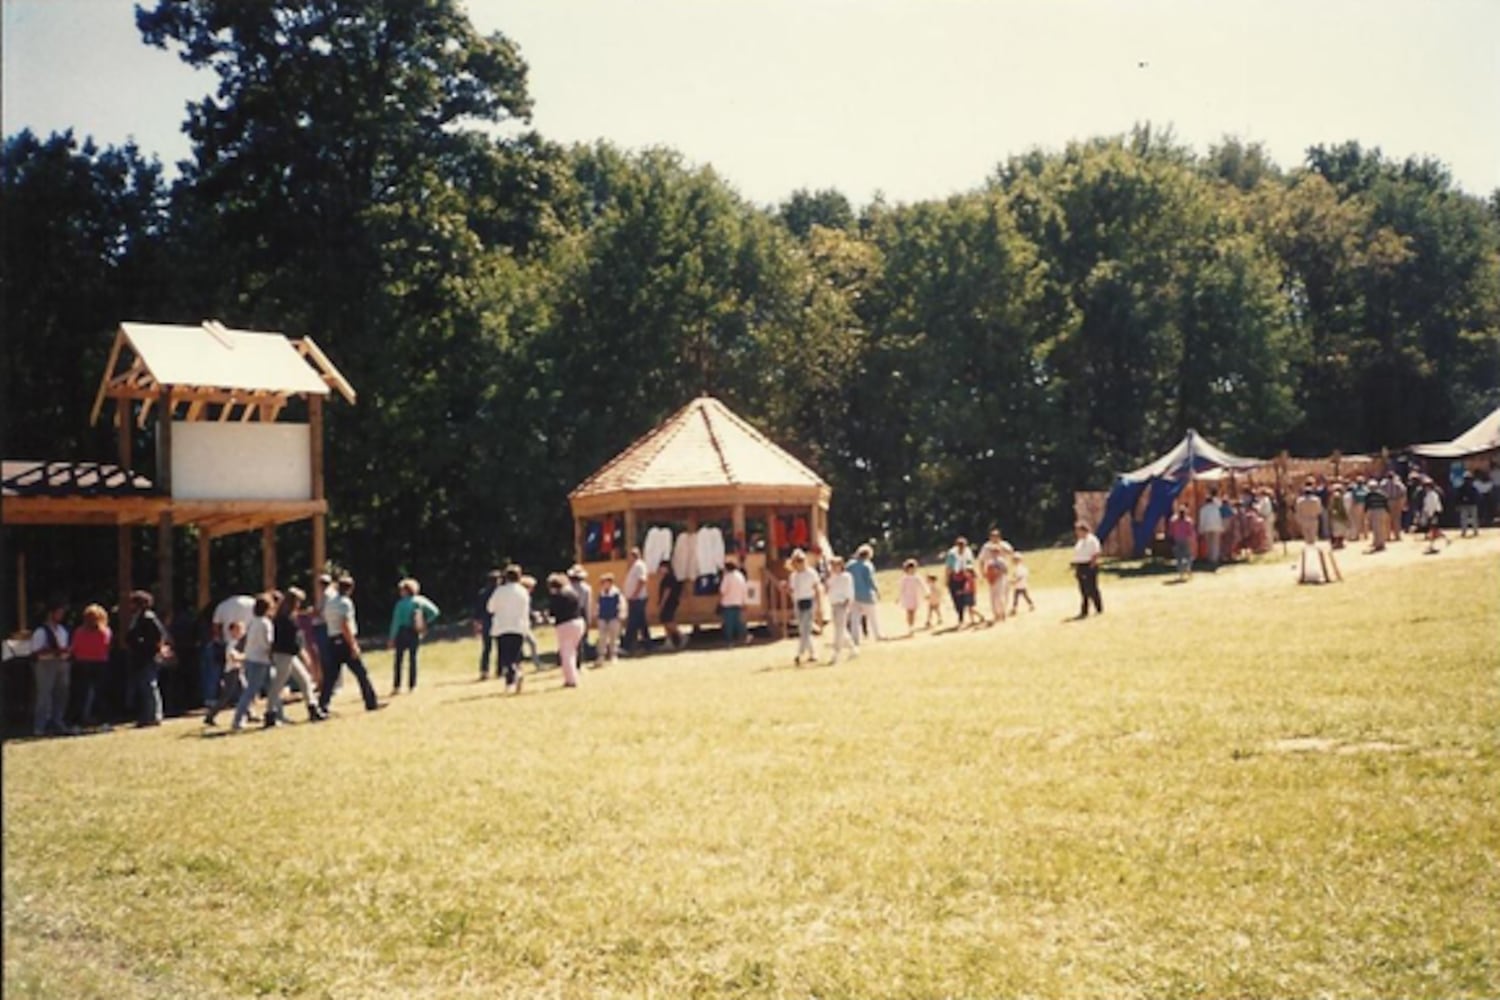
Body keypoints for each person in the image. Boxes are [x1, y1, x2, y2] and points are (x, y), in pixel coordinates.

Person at [317, 576, 381, 715]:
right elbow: (345, 624)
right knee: (361, 673)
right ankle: (371, 702)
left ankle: (322, 705)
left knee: (331, 676)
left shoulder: (330, 602)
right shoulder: (345, 603)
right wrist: (353, 645)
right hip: (344, 640)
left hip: (332, 639)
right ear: (350, 588)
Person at [267, 587, 327, 724]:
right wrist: (300, 651)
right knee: (277, 685)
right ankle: (269, 714)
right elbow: (290, 639)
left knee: (305, 679)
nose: (299, 604)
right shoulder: (284, 618)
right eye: (298, 601)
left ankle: (313, 709)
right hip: (283, 654)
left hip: (290, 654)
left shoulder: (288, 616)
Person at [124, 590, 170, 727]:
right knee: (144, 686)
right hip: (140, 656)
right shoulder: (137, 617)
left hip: (148, 656)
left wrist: (150, 647)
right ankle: (146, 716)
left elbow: (159, 635)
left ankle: (154, 716)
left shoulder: (148, 617)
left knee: (149, 686)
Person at [231, 594, 276, 732]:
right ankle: (238, 719)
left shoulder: (253, 622)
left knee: (272, 688)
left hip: (251, 658)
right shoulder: (265, 623)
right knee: (251, 691)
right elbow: (267, 642)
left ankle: (276, 714)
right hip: (260, 659)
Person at [388, 577, 440, 694]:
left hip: (402, 632)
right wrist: (425, 621)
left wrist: (392, 637)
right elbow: (435, 611)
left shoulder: (400, 604)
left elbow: (396, 622)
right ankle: (412, 686)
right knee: (413, 658)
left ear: (405, 591)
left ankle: (397, 686)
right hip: (414, 631)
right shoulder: (420, 601)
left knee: (399, 660)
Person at [487, 565, 531, 693]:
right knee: (516, 655)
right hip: (518, 627)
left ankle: (511, 680)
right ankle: (517, 673)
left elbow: (490, 608)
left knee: (506, 657)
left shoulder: (500, 591)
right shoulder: (523, 592)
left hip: (502, 627)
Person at [30, 600, 71, 736]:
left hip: (62, 663)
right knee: (44, 695)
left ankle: (57, 722)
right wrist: (53, 651)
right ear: (50, 614)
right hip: (45, 664)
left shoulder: (62, 630)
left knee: (61, 694)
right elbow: (36, 651)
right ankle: (40, 726)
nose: (61, 615)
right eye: (58, 613)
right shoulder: (41, 631)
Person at [69, 602, 112, 729]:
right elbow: (107, 647)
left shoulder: (79, 632)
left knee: (81, 694)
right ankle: (104, 721)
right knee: (101, 694)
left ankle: (77, 723)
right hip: (100, 663)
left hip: (82, 663)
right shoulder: (105, 632)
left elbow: (74, 648)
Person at [548, 573, 585, 688]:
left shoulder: (557, 596)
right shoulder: (573, 593)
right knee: (573, 651)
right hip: (578, 622)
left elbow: (552, 613)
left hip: (565, 624)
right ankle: (574, 674)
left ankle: (571, 680)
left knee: (566, 653)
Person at [787, 549, 821, 666]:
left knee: (805, 629)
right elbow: (792, 590)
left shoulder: (811, 573)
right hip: (798, 602)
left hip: (809, 600)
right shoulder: (793, 575)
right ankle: (813, 653)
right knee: (803, 629)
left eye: (800, 561)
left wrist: (819, 604)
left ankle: (800, 653)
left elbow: (816, 588)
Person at [823, 556, 858, 663]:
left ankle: (836, 653)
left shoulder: (846, 576)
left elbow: (850, 590)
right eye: (832, 565)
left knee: (839, 629)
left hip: (843, 604)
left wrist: (848, 602)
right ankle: (853, 648)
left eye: (835, 565)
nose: (833, 567)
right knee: (840, 628)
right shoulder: (831, 578)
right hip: (834, 604)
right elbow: (827, 590)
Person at [848, 544, 883, 643]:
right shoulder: (867, 565)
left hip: (853, 594)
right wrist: (877, 591)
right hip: (866, 595)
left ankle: (855, 638)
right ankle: (877, 635)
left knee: (855, 617)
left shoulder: (850, 565)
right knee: (873, 616)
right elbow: (870, 580)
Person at [622, 547, 651, 655]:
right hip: (634, 598)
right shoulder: (634, 566)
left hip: (638, 598)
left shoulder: (639, 565)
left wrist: (635, 594)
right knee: (641, 622)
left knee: (632, 622)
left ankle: (627, 645)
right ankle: (647, 644)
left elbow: (642, 580)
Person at [978, 529, 1011, 624]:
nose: (994, 538)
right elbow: (981, 560)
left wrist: (1001, 549)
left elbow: (1011, 553)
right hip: (991, 573)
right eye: (992, 536)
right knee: (993, 595)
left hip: (1002, 572)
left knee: (1002, 594)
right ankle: (996, 614)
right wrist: (982, 572)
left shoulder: (1004, 545)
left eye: (996, 536)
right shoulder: (986, 546)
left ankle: (1002, 612)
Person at [1070, 522, 1103, 619]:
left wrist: (1092, 565)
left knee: (1092, 588)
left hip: (1089, 565)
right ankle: (1084, 610)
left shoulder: (1092, 540)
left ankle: (1099, 608)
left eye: (1078, 531)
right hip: (1080, 565)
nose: (1077, 533)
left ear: (1084, 530)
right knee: (1083, 589)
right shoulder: (1079, 542)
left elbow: (1096, 553)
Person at [943, 536, 978, 626]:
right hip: (954, 576)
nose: (962, 548)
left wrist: (972, 574)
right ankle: (960, 616)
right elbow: (948, 567)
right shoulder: (952, 554)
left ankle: (965, 617)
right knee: (956, 598)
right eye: (960, 546)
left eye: (963, 546)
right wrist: (947, 579)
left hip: (964, 576)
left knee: (964, 596)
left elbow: (970, 563)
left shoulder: (968, 552)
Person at [474, 570, 501, 680]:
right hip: (499, 621)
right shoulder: (500, 592)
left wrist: (477, 624)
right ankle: (500, 669)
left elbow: (477, 611)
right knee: (500, 647)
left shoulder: (482, 593)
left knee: (487, 648)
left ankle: (484, 671)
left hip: (486, 622)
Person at [595, 572, 627, 663]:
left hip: (614, 617)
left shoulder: (616, 593)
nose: (604, 584)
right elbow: (597, 605)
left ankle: (613, 654)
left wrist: (621, 615)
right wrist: (596, 615)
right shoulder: (601, 594)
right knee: (602, 637)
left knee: (614, 637)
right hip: (602, 617)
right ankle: (601, 655)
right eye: (602, 582)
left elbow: (622, 605)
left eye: (605, 582)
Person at [718, 558, 749, 646]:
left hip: (728, 603)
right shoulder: (740, 576)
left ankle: (729, 641)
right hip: (738, 602)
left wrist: (719, 601)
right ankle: (744, 637)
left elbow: (722, 590)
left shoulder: (727, 577)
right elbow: (744, 590)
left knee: (729, 624)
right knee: (739, 622)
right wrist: (744, 601)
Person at [657, 560, 686, 651]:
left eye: (662, 567)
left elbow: (667, 592)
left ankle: (681, 636)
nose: (660, 569)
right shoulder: (666, 577)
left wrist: (662, 603)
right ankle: (669, 641)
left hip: (670, 602)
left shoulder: (669, 578)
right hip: (668, 602)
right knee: (665, 620)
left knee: (669, 620)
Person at [568, 566, 595, 663]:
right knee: (582, 637)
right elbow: (587, 604)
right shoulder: (586, 588)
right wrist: (588, 619)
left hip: (570, 613)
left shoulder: (568, 588)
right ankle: (581, 658)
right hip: (581, 612)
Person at [896, 559, 926, 635]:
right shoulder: (904, 578)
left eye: (913, 568)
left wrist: (927, 592)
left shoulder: (917, 577)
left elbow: (923, 585)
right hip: (907, 597)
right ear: (907, 569)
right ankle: (910, 626)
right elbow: (901, 589)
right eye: (910, 568)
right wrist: (898, 597)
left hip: (915, 596)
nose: (912, 570)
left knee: (914, 612)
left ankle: (912, 625)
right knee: (909, 612)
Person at [1421, 477, 1450, 553]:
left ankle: (1431, 546)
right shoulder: (1429, 495)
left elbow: (1434, 505)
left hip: (1434, 514)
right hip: (1432, 514)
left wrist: (1431, 514)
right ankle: (1446, 539)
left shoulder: (1432, 495)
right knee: (1435, 530)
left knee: (1433, 530)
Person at [1364, 475, 1391, 552]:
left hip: (1374, 511)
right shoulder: (1382, 494)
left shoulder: (1369, 495)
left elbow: (1367, 505)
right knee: (1381, 527)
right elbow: (1386, 504)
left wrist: (1366, 514)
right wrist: (1387, 512)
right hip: (1382, 511)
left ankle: (1378, 543)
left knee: (1376, 528)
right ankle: (1381, 543)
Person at [1168, 506, 1195, 580]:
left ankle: (1181, 573)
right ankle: (1187, 566)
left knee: (1179, 558)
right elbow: (1191, 532)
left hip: (1176, 540)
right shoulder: (1188, 521)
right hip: (1186, 540)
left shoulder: (1173, 521)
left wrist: (1171, 539)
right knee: (1189, 556)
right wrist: (1192, 540)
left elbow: (1171, 531)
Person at [1294, 480, 1323, 545]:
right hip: (1313, 519)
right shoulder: (1316, 500)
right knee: (1313, 536)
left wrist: (1299, 519)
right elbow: (1319, 510)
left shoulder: (1300, 501)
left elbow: (1298, 511)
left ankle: (1308, 549)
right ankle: (1313, 549)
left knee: (1306, 537)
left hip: (1304, 519)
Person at [1198, 494, 1224, 565]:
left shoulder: (1203, 509)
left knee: (1209, 544)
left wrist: (1200, 529)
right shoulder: (1216, 508)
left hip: (1207, 527)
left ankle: (1210, 558)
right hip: (1216, 527)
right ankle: (1215, 558)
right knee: (1215, 544)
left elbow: (1202, 520)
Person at [1456, 472, 1480, 537]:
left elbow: (1458, 497)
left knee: (1469, 519)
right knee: (1469, 519)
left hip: (1470, 505)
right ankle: (1470, 531)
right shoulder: (1464, 488)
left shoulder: (1471, 488)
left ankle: (1471, 531)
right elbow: (1458, 497)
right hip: (1468, 505)